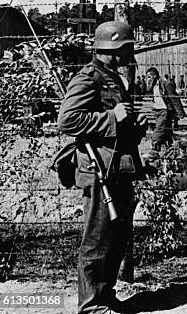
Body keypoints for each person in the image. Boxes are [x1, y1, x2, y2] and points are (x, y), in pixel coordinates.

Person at [57, 20, 148, 313]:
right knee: (97, 237)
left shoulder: (111, 76)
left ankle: (105, 296)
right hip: (98, 170)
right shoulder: (89, 78)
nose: (130, 52)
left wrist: (135, 128)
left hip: (117, 168)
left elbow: (116, 127)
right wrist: (112, 117)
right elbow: (68, 120)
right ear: (114, 47)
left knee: (116, 237)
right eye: (127, 47)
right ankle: (92, 305)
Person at [145, 67, 187, 152]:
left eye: (149, 77)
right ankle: (170, 150)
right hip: (157, 111)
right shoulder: (153, 86)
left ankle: (154, 151)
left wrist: (180, 113)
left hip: (165, 111)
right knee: (167, 132)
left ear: (155, 76)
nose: (148, 79)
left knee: (158, 132)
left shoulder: (166, 84)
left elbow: (174, 98)